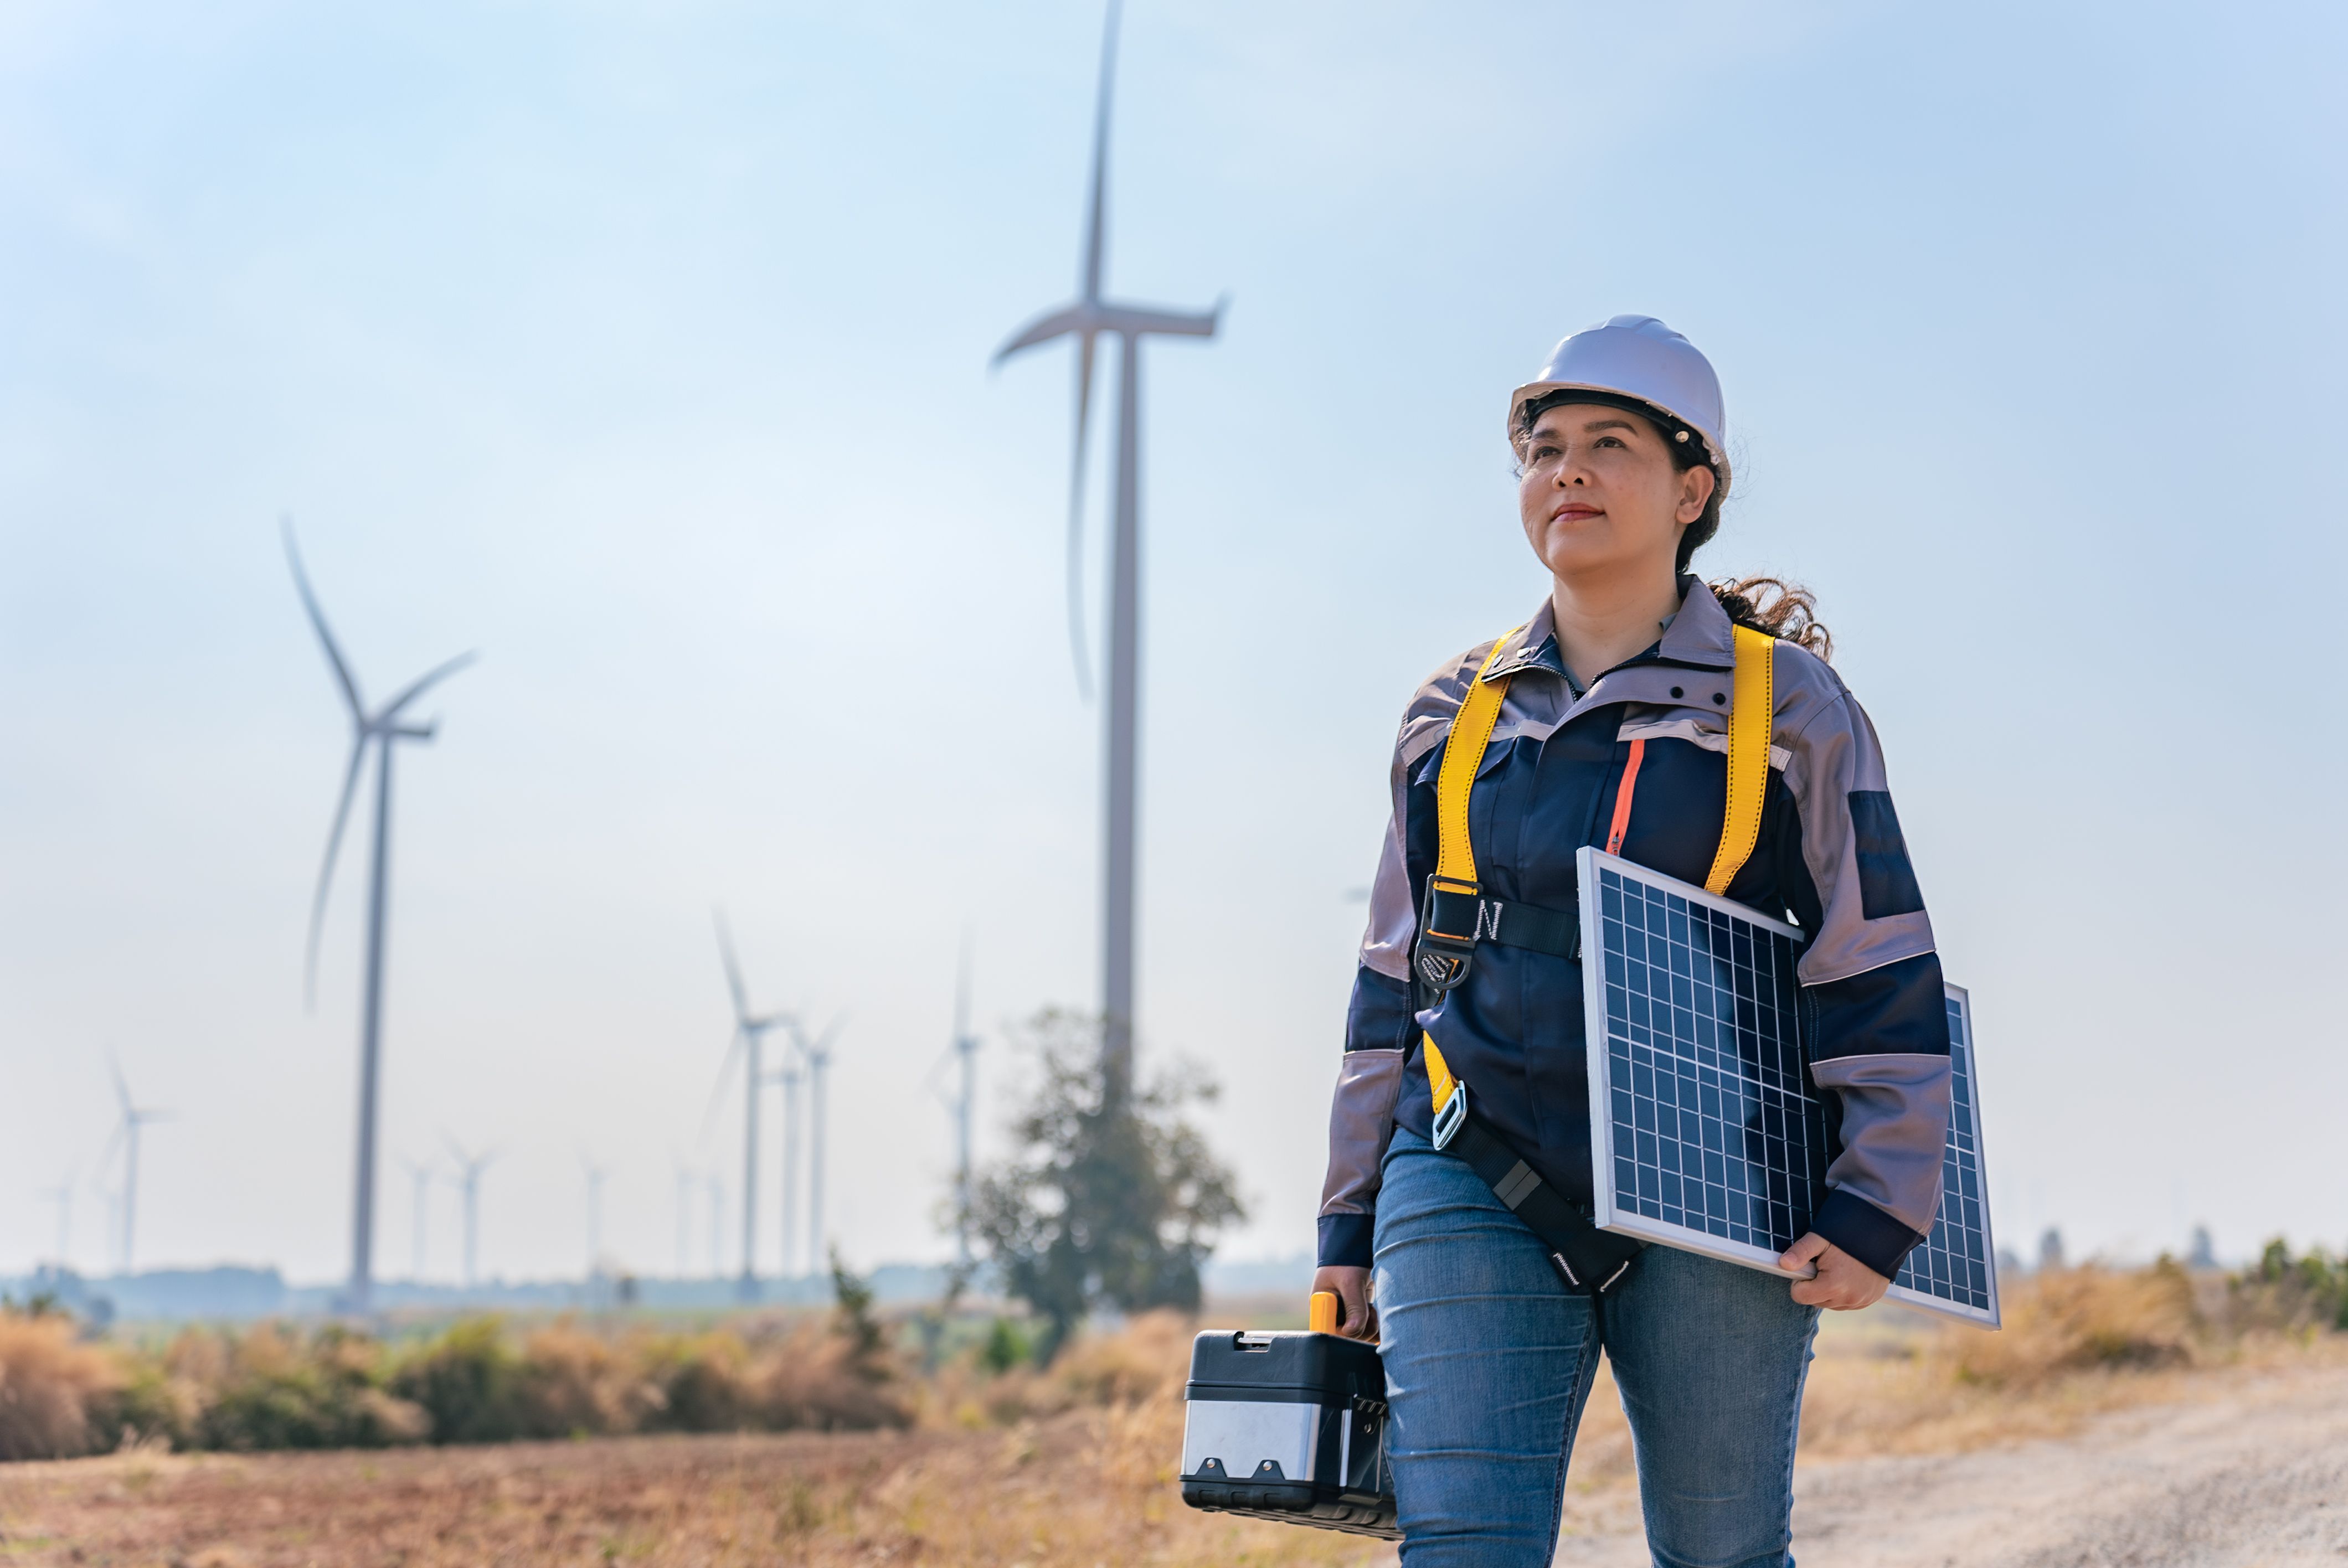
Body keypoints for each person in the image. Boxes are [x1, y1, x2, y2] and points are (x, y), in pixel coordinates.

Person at [1312, 316, 1951, 1567]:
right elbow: (1393, 979)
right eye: (1545, 448)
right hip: (1467, 1164)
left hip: (1717, 1181)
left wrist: (1881, 1194)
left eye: (1610, 445)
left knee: (1719, 1552)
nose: (1569, 472)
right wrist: (1345, 1224)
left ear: (1692, 489)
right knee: (1460, 1550)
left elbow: (1871, 950)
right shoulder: (1449, 713)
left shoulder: (1791, 709)